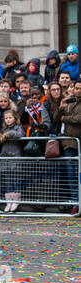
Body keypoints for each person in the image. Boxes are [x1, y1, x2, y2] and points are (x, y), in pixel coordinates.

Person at [54, 80, 81, 217]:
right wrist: (61, 108)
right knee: (71, 176)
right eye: (76, 88)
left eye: (80, 88)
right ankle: (76, 203)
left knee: (77, 175)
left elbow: (79, 119)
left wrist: (65, 117)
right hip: (68, 144)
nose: (78, 91)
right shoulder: (69, 102)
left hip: (78, 142)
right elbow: (56, 118)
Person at [0, 110, 25, 212]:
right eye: (6, 118)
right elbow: (0, 140)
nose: (8, 120)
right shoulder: (3, 129)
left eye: (10, 118)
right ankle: (9, 201)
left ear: (15, 118)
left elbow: (21, 135)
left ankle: (16, 200)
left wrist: (10, 133)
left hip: (15, 156)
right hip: (5, 157)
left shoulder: (18, 127)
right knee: (7, 180)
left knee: (16, 180)